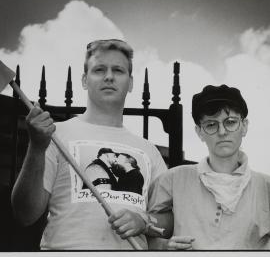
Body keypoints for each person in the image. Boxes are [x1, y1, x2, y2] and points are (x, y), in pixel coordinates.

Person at [11, 39, 167, 250]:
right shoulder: (55, 134)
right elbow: (25, 214)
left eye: (118, 70)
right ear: (85, 80)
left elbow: (169, 218)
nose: (109, 76)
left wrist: (144, 221)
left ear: (130, 83)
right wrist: (37, 147)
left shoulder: (149, 151)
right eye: (99, 69)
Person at [110, 84, 270, 250]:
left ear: (244, 126)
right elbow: (146, 238)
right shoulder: (173, 180)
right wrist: (165, 246)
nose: (222, 131)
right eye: (211, 124)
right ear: (199, 132)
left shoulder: (265, 187)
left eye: (230, 122)